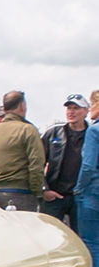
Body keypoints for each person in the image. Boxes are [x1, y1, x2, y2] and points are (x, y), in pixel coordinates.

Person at [0, 90, 45, 211]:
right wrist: (37, 192)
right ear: (22, 106)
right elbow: (36, 165)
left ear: (4, 108)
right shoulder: (28, 130)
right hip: (21, 195)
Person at [40, 94, 91, 230]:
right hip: (55, 195)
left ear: (86, 111)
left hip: (81, 197)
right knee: (48, 234)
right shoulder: (53, 133)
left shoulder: (92, 135)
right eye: (69, 108)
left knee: (81, 238)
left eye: (76, 108)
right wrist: (44, 189)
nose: (71, 112)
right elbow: (37, 163)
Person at [71, 89, 99, 267]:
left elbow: (88, 165)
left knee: (91, 245)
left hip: (93, 192)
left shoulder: (94, 131)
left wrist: (78, 188)